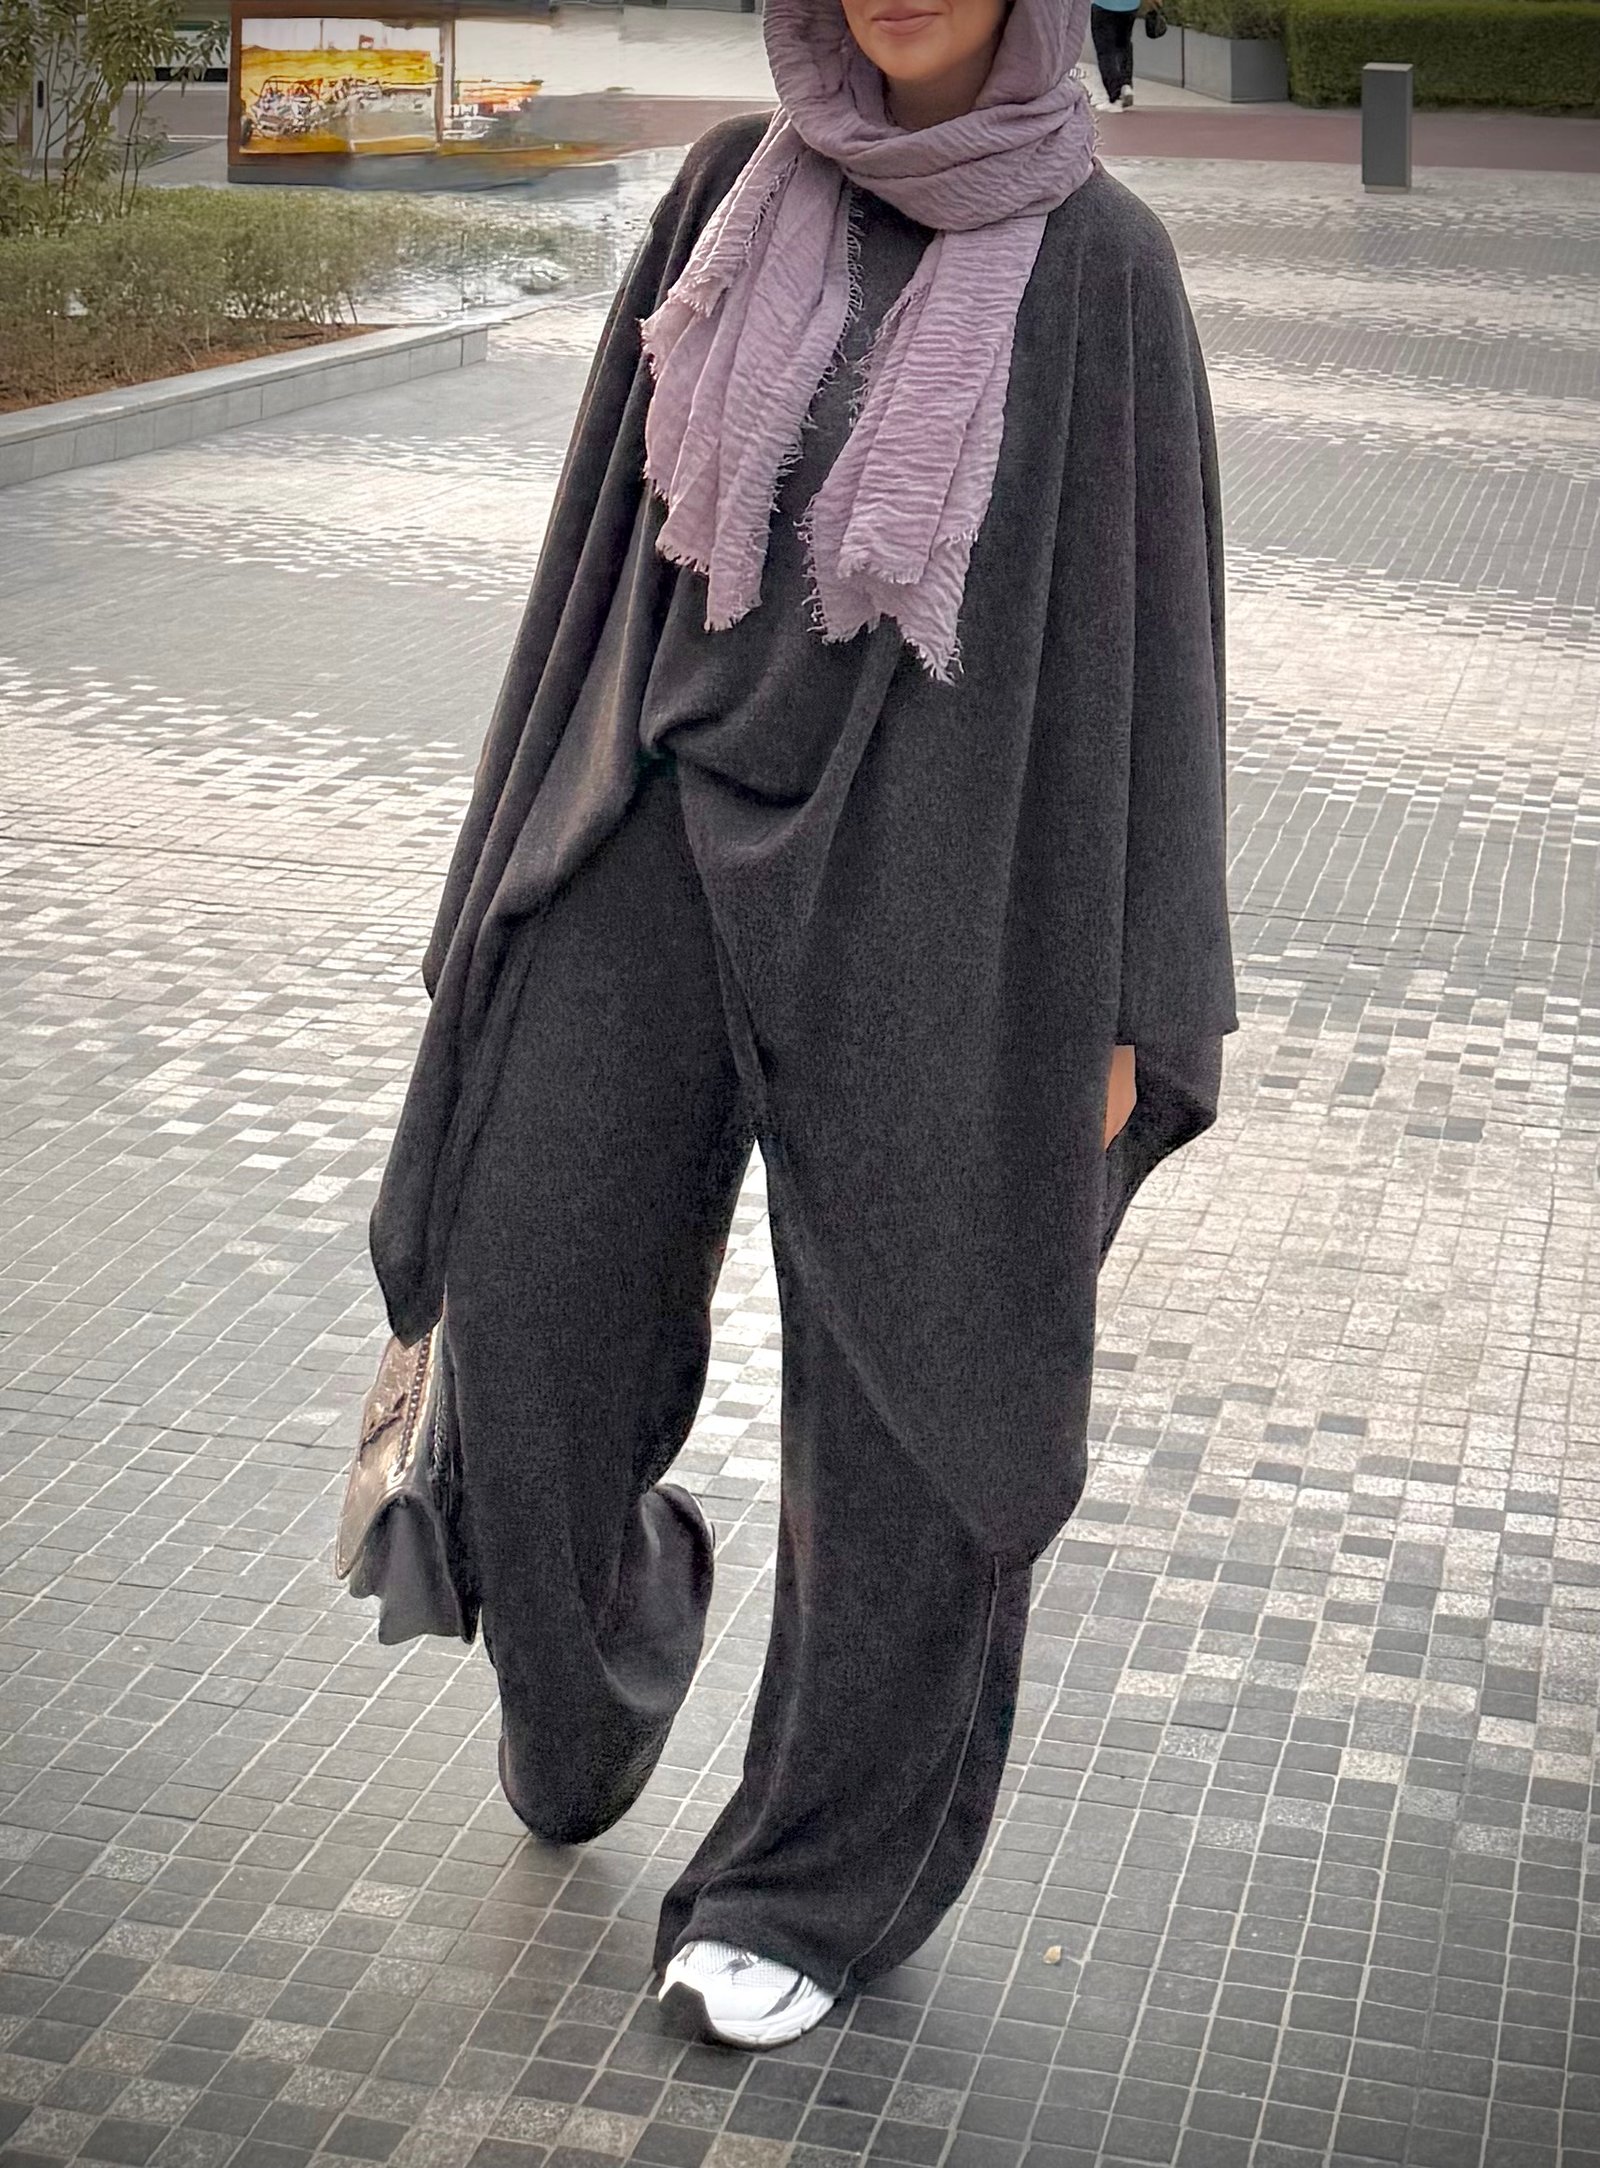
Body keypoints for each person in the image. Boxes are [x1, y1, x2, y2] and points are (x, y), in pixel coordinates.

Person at [369, 0, 1235, 2053]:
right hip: (654, 826)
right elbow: (597, 558)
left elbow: (1157, 635)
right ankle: (590, 1652)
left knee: (910, 1408)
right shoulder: (724, 193)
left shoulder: (1100, 266)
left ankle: (810, 1877)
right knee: (529, 1295)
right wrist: (507, 851)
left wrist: (1139, 991)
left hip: (945, 893)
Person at [1091, 0, 1143, 107]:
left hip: (1104, 5)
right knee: (1124, 45)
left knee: (1105, 51)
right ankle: (1126, 84)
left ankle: (1115, 94)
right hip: (1130, 6)